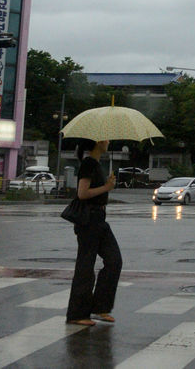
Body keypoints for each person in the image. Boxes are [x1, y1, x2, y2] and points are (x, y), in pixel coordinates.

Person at [66, 138, 123, 326]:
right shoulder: (89, 163)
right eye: (105, 139)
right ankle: (77, 314)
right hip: (88, 221)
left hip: (99, 220)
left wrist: (107, 185)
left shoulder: (96, 163)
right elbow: (82, 194)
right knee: (85, 266)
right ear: (97, 142)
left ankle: (100, 307)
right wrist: (107, 187)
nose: (108, 141)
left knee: (114, 261)